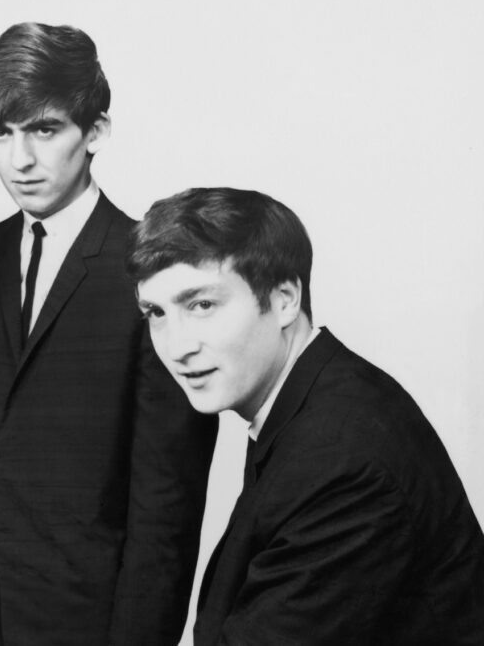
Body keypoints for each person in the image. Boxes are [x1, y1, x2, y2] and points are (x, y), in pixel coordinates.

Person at [0, 22, 218, 646]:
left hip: (84, 626)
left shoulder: (153, 273)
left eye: (44, 129)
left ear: (95, 132)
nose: (20, 160)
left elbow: (166, 513)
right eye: (0, 132)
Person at [129, 186, 484, 645]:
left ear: (284, 300)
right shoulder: (313, 399)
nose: (177, 347)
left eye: (202, 305)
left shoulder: (341, 462)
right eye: (156, 313)